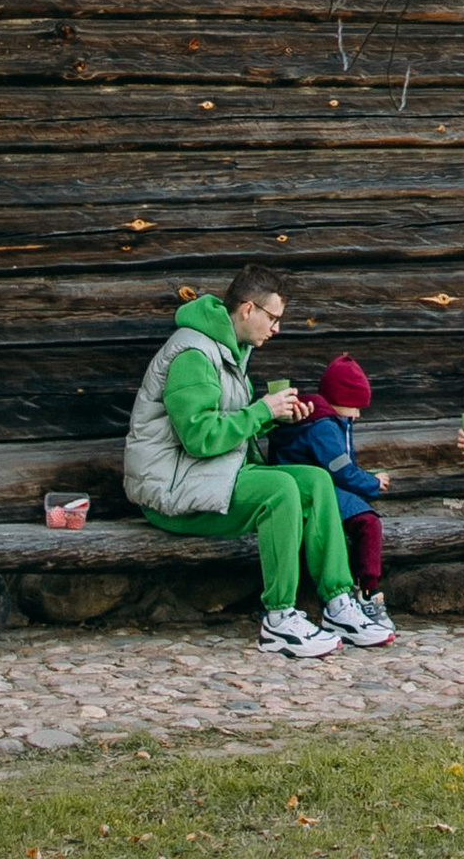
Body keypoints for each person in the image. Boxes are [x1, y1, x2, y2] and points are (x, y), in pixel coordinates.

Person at [122, 272, 393, 659]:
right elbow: (200, 437)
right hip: (172, 491)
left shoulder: (229, 350)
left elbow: (229, 426)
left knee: (315, 481)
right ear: (249, 309)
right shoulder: (193, 355)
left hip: (210, 479)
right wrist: (261, 410)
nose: (277, 328)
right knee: (279, 490)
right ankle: (279, 618)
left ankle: (338, 605)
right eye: (274, 318)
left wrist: (273, 418)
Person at [267, 354, 393, 636]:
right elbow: (341, 470)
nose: (358, 414)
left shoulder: (318, 417)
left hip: (301, 486)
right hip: (316, 489)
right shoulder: (323, 427)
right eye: (356, 406)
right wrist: (372, 483)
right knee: (368, 523)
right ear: (340, 397)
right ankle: (368, 592)